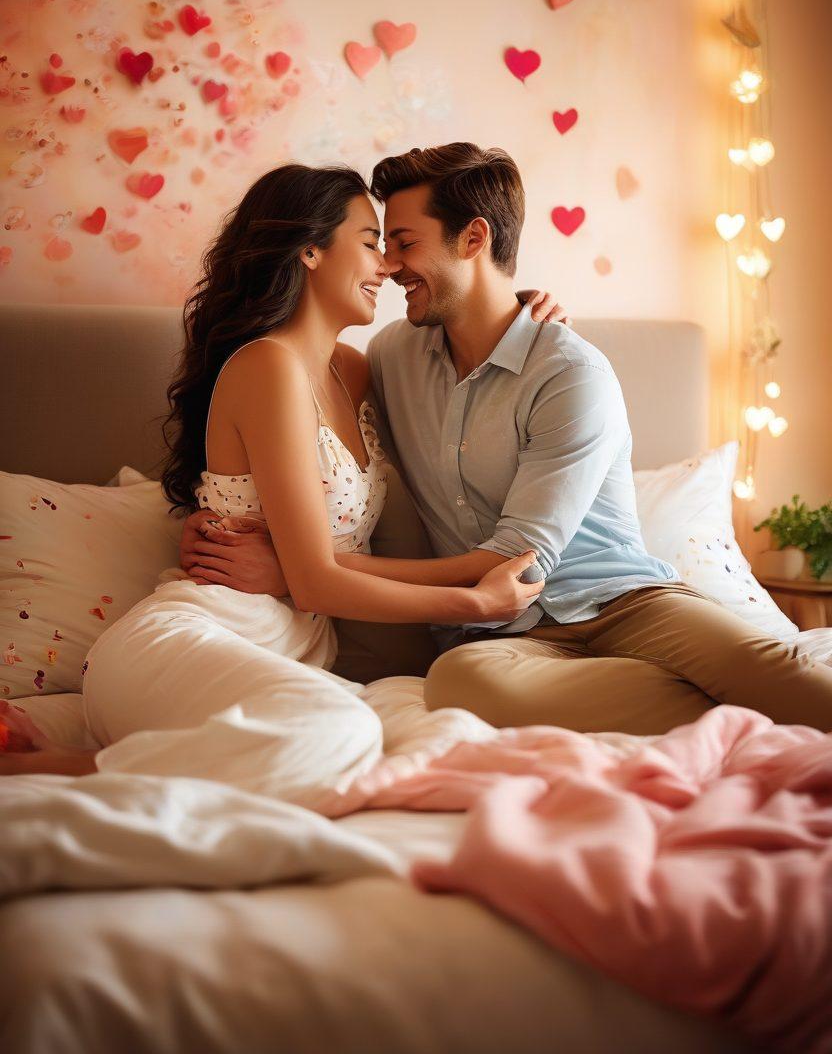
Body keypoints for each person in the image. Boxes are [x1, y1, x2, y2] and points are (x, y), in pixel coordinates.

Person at [178, 143, 832, 737]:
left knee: (764, 662)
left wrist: (305, 569)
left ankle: (741, 688)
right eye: (381, 244)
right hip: (496, 636)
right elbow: (297, 439)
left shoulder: (569, 371)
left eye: (402, 243)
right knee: (463, 684)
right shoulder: (388, 360)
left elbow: (519, 559)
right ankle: (715, 704)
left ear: (473, 238)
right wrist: (262, 541)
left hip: (614, 601)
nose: (389, 265)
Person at [1, 162, 564, 790]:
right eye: (372, 243)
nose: (387, 267)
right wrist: (473, 602)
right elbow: (316, 581)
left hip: (290, 656)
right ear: (310, 250)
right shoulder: (267, 365)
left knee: (414, 725)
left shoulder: (358, 370)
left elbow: (463, 367)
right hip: (195, 637)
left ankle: (98, 760)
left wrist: (528, 320)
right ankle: (58, 765)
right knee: (340, 733)